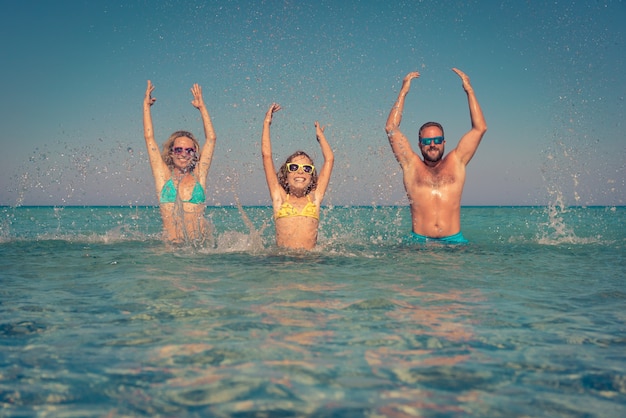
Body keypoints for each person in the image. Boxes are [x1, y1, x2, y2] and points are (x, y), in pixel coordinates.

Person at [385, 68, 487, 244]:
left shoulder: (457, 160)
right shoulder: (411, 164)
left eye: (437, 140)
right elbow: (391, 128)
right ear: (420, 145)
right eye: (427, 141)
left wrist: (469, 91)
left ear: (444, 142)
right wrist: (403, 92)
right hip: (418, 243)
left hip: (455, 242)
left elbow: (480, 128)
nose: (433, 144)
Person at [143, 80, 217, 245]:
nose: (184, 154)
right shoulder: (163, 177)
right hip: (172, 251)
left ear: (194, 154)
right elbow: (149, 139)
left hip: (199, 251)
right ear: (171, 152)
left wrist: (202, 108)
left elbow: (211, 139)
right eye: (179, 150)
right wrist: (146, 107)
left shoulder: (199, 176)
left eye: (189, 150)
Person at [262, 103, 334, 250]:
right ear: (286, 174)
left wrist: (321, 138)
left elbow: (329, 160)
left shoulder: (315, 198)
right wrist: (266, 123)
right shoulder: (279, 197)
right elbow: (267, 156)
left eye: (306, 168)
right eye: (294, 168)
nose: (300, 172)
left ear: (312, 175)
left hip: (310, 265)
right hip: (283, 263)